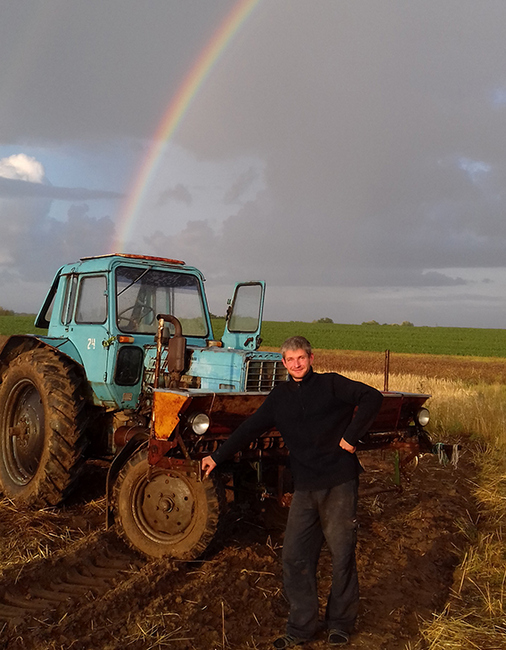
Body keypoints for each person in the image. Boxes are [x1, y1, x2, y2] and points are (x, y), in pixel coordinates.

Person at [201, 336, 383, 648]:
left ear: (311, 358)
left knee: (341, 555)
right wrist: (217, 457)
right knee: (295, 555)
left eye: (301, 358)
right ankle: (301, 627)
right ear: (284, 363)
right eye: (291, 359)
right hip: (305, 487)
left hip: (339, 481)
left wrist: (352, 436)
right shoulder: (280, 397)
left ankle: (340, 624)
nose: (297, 364)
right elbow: (250, 428)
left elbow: (372, 397)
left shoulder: (331, 385)